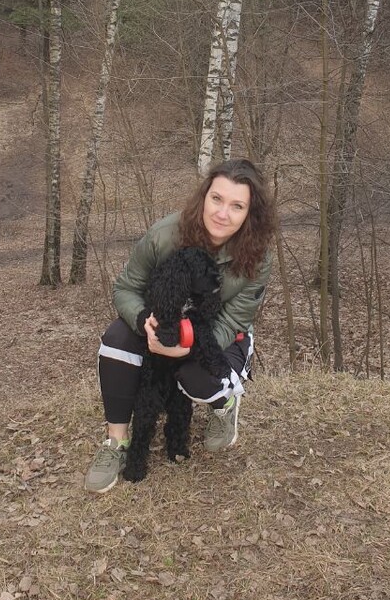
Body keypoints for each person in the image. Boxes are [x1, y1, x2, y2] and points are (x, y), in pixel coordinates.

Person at [85, 157, 275, 493]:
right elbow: (126, 288)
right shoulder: (164, 235)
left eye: (237, 206)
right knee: (116, 339)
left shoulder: (257, 255)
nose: (222, 213)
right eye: (217, 199)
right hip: (160, 321)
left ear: (250, 213)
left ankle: (224, 405)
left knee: (197, 373)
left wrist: (188, 346)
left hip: (218, 331)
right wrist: (144, 321)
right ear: (204, 197)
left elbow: (235, 318)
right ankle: (117, 441)